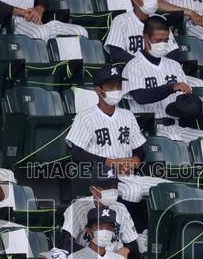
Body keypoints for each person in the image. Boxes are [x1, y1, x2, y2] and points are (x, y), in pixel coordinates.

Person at [65, 63, 167, 203]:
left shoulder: (128, 115)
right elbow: (77, 154)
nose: (116, 89)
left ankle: (144, 226)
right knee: (133, 191)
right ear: (98, 90)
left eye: (118, 85)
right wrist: (110, 162)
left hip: (128, 174)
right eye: (111, 86)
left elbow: (139, 150)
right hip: (103, 177)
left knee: (166, 187)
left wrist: (135, 161)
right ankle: (128, 224)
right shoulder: (85, 117)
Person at [123, 18, 203, 143]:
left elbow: (179, 102)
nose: (162, 44)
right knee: (174, 140)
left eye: (165, 40)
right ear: (146, 38)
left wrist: (189, 107)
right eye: (158, 40)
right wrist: (170, 87)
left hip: (176, 126)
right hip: (150, 130)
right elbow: (140, 97)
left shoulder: (174, 65)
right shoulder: (133, 66)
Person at [60, 166, 140, 257]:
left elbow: (133, 244)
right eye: (106, 187)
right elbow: (66, 244)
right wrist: (95, 255)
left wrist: (126, 250)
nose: (112, 190)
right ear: (92, 189)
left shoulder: (121, 208)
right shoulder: (78, 207)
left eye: (114, 186)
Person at [104, 0, 181, 62]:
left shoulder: (160, 19)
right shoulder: (121, 21)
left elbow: (173, 51)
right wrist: (142, 65)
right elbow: (116, 52)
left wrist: (163, 66)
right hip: (134, 71)